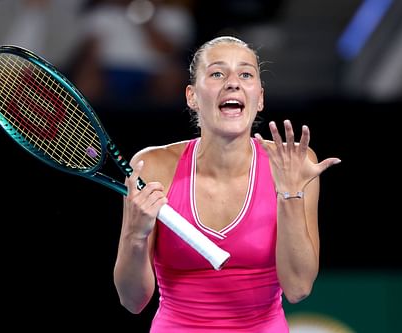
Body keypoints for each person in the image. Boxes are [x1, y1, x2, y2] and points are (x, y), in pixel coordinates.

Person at [113, 35, 341, 332]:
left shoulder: (293, 163)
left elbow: (298, 288)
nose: (232, 82)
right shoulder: (153, 166)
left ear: (259, 97)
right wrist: (135, 234)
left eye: (245, 74)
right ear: (192, 96)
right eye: (217, 73)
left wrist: (289, 195)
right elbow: (132, 300)